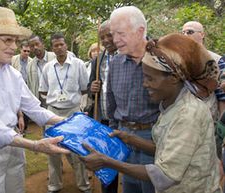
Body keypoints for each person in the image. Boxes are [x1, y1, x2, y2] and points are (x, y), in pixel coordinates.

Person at [80, 33, 221, 193]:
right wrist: (131, 139)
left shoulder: (188, 114)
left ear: (174, 78)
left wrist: (107, 162)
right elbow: (166, 150)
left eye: (150, 78)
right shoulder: (171, 105)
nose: (145, 84)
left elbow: (165, 175)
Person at [0, 6, 70, 193]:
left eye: (15, 40)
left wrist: (69, 121)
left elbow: (35, 109)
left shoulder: (13, 74)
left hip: (14, 145)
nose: (15, 47)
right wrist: (34, 145)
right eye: (8, 40)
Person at [106, 6, 159, 193]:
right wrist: (114, 130)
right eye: (113, 34)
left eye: (120, 33)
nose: (115, 40)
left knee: (152, 186)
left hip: (153, 137)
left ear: (140, 31)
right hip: (123, 134)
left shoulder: (161, 61)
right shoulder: (115, 64)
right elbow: (110, 100)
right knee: (129, 186)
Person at [39, 33, 91, 193]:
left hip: (73, 113)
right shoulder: (48, 67)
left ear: (66, 45)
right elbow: (43, 91)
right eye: (56, 45)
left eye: (62, 44)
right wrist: (56, 101)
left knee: (77, 150)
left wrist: (75, 105)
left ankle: (84, 185)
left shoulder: (78, 64)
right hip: (53, 113)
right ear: (52, 48)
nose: (59, 47)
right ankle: (54, 185)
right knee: (52, 151)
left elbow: (84, 89)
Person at [87, 20, 118, 193]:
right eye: (102, 37)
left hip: (121, 123)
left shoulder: (126, 56)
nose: (106, 40)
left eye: (109, 35)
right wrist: (92, 88)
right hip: (102, 120)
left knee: (127, 163)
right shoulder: (97, 61)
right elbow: (90, 87)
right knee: (106, 166)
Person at [27, 35, 55, 108]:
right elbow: (30, 86)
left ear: (43, 44)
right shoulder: (30, 65)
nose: (35, 47)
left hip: (56, 98)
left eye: (37, 44)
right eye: (32, 46)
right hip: (40, 101)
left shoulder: (54, 57)